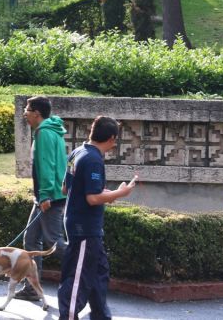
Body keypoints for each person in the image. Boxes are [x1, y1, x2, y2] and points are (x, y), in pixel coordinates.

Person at [58, 116, 136, 320]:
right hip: (85, 227)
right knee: (78, 277)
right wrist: (121, 193)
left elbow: (66, 188)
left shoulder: (77, 152)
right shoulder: (94, 159)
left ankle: (101, 315)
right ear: (111, 138)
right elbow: (92, 198)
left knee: (99, 274)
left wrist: (108, 194)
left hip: (80, 223)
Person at [13, 96, 68, 303]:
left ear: (37, 113)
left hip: (49, 197)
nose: (24, 113)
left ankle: (87, 271)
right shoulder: (51, 130)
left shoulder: (44, 133)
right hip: (47, 196)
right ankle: (32, 288)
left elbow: (47, 165)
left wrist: (45, 195)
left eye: (27, 109)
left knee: (55, 243)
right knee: (30, 240)